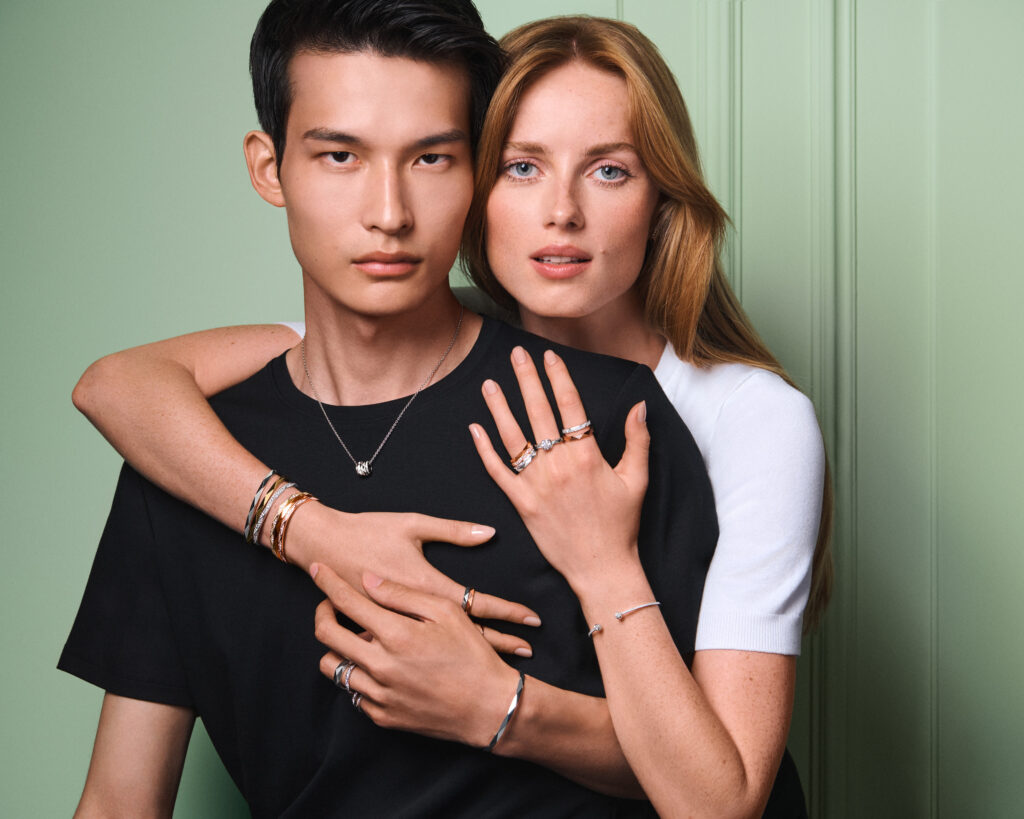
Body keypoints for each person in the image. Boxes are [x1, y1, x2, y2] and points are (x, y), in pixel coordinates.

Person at [59, 2, 718, 816]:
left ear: (476, 172)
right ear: (269, 168)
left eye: (431, 158)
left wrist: (499, 706)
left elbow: (709, 781)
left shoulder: (600, 417)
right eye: (340, 155)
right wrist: (305, 528)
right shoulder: (193, 459)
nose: (389, 213)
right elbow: (120, 799)